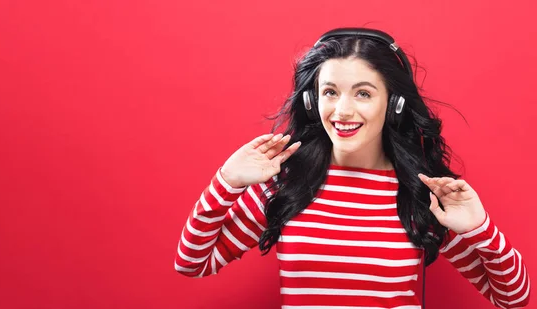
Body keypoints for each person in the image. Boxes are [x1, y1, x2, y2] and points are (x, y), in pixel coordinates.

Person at [173, 27, 531, 309]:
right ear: (313, 103)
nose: (342, 111)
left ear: (394, 105)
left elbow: (513, 298)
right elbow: (192, 262)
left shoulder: (421, 194)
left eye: (363, 93)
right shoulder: (287, 184)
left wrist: (480, 230)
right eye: (330, 92)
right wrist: (227, 182)